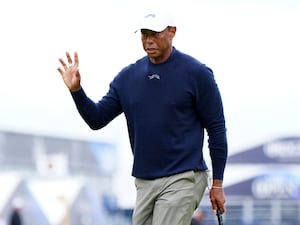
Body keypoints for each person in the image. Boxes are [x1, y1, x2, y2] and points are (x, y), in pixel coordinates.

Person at [57, 9, 228, 225]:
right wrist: (77, 91)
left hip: (184, 177)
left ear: (172, 32)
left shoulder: (197, 73)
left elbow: (216, 128)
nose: (148, 40)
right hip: (144, 182)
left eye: (155, 34)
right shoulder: (128, 77)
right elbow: (97, 119)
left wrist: (218, 184)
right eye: (144, 34)